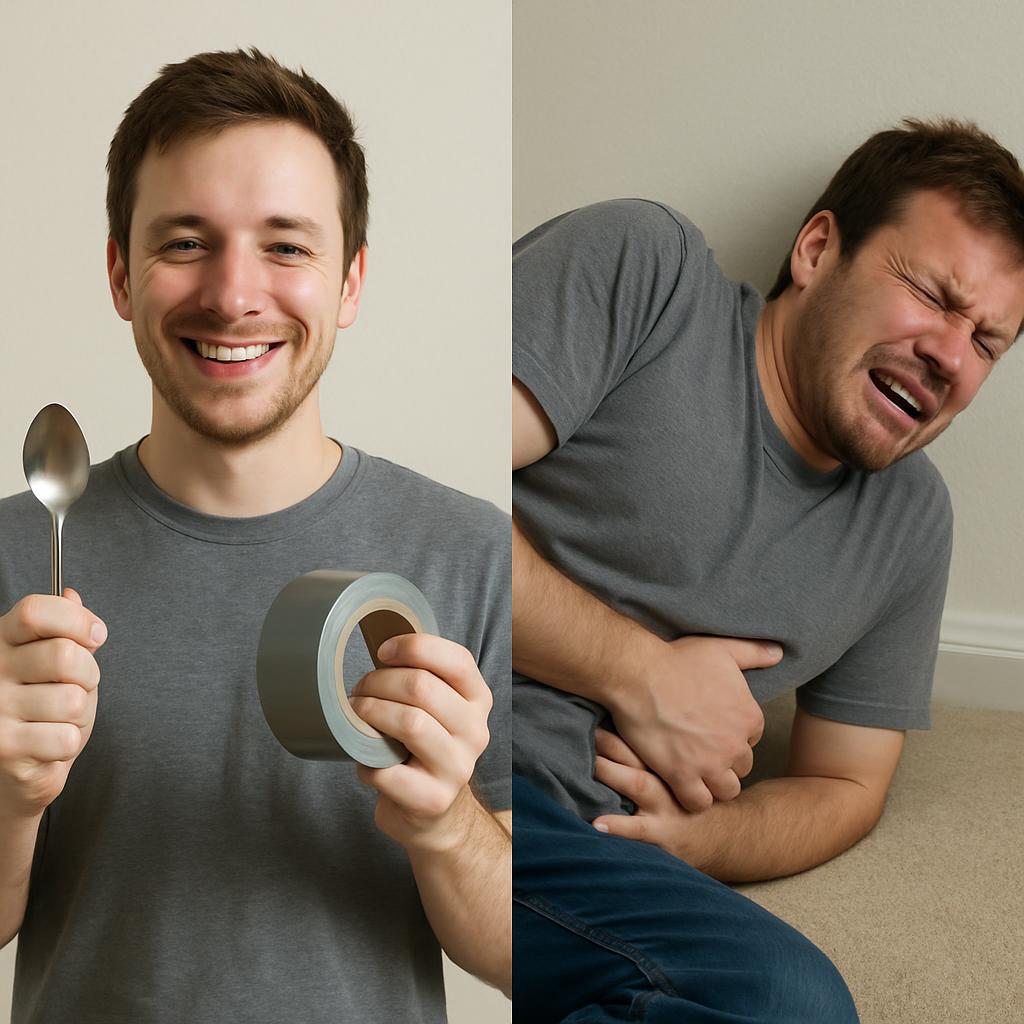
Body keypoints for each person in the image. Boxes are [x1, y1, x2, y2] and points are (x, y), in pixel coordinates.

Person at [0, 48, 510, 1022]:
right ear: (120, 273)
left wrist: (449, 823)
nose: (234, 295)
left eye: (286, 246)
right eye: (186, 241)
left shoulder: (472, 556)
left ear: (350, 282)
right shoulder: (15, 556)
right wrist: (6, 795)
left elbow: (539, 957)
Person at [511, 118, 1024, 1022]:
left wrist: (705, 840)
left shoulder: (909, 522)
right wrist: (638, 674)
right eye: (935, 295)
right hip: (418, 737)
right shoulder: (649, 272)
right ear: (819, 248)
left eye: (988, 342)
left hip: (575, 849)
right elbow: (408, 486)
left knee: (787, 1003)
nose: (951, 353)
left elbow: (845, 785)